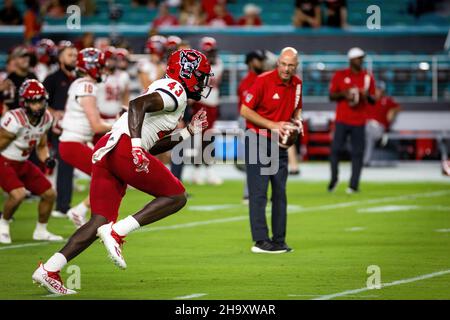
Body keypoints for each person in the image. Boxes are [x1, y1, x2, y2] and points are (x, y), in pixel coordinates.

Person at [32, 49, 212, 295]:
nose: (203, 82)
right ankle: (117, 232)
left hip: (109, 147)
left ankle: (49, 269)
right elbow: (137, 105)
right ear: (187, 73)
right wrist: (137, 148)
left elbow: (153, 141)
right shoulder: (177, 91)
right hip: (124, 148)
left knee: (99, 220)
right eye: (200, 76)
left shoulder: (170, 90)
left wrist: (188, 132)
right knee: (176, 196)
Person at [240, 47, 303, 254]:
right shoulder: (263, 80)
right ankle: (260, 241)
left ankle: (279, 240)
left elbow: (297, 108)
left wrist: (298, 122)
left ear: (296, 66)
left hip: (279, 144)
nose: (286, 69)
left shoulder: (297, 85)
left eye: (291, 65)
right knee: (259, 193)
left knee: (280, 192)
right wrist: (273, 124)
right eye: (283, 64)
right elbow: (245, 110)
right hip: (256, 139)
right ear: (278, 63)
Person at [0, 79, 62, 244]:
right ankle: (3, 225)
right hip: (4, 160)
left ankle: (41, 231)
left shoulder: (47, 118)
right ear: (24, 102)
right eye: (33, 102)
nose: (38, 106)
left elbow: (41, 145)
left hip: (22, 162)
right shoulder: (14, 119)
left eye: (40, 101)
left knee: (50, 194)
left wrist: (47, 158)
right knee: (18, 194)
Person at [58, 48, 112, 228]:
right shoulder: (86, 86)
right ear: (92, 66)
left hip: (77, 141)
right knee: (108, 176)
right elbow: (96, 126)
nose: (104, 70)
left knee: (109, 176)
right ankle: (82, 211)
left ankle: (83, 211)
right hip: (73, 143)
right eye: (101, 66)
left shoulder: (81, 84)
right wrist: (119, 124)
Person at [328, 47, 376, 193]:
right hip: (342, 119)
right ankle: (334, 179)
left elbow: (373, 100)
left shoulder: (367, 77)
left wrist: (365, 95)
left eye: (361, 58)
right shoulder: (340, 75)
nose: (360, 60)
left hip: (359, 120)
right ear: (351, 60)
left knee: (357, 153)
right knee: (335, 150)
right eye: (358, 58)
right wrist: (345, 94)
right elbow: (331, 96)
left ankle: (353, 185)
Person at [43, 41, 77, 218]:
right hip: (56, 129)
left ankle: (64, 204)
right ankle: (61, 205)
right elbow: (41, 104)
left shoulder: (78, 78)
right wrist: (54, 113)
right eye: (70, 55)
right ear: (60, 57)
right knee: (61, 165)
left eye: (75, 55)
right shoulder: (52, 79)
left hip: (74, 127)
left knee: (68, 166)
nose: (74, 58)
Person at [190, 37, 224, 185]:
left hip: (213, 104)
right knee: (200, 140)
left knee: (208, 138)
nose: (209, 54)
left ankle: (205, 170)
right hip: (201, 103)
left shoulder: (218, 63)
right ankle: (200, 171)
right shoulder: (198, 65)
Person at [237, 50, 266, 203]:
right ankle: (249, 193)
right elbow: (248, 109)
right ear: (250, 62)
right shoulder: (248, 82)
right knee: (253, 160)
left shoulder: (261, 78)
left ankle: (258, 193)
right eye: (258, 60)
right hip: (250, 122)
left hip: (260, 121)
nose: (261, 63)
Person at [94, 46, 129, 144]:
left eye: (113, 59)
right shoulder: (98, 76)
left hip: (117, 116)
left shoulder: (123, 75)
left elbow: (126, 96)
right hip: (101, 116)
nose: (110, 62)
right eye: (108, 59)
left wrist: (125, 113)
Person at [364, 81, 401, 166]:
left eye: (379, 89)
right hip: (367, 125)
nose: (377, 91)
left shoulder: (387, 100)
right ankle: (364, 161)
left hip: (378, 127)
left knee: (368, 133)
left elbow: (399, 107)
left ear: (383, 91)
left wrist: (393, 111)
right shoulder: (369, 100)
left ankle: (364, 161)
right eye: (376, 89)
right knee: (364, 132)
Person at [6, 46, 37, 111]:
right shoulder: (9, 81)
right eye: (21, 56)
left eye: (27, 56)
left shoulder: (33, 77)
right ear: (15, 60)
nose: (25, 59)